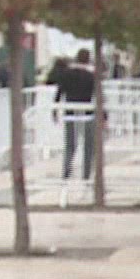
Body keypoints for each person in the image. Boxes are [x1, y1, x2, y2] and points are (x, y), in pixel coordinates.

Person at [53, 48, 97, 180]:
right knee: (88, 145)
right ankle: (86, 174)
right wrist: (104, 116)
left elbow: (59, 93)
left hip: (70, 112)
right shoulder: (91, 76)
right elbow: (98, 95)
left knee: (70, 145)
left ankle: (66, 171)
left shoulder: (66, 74)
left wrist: (55, 110)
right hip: (87, 113)